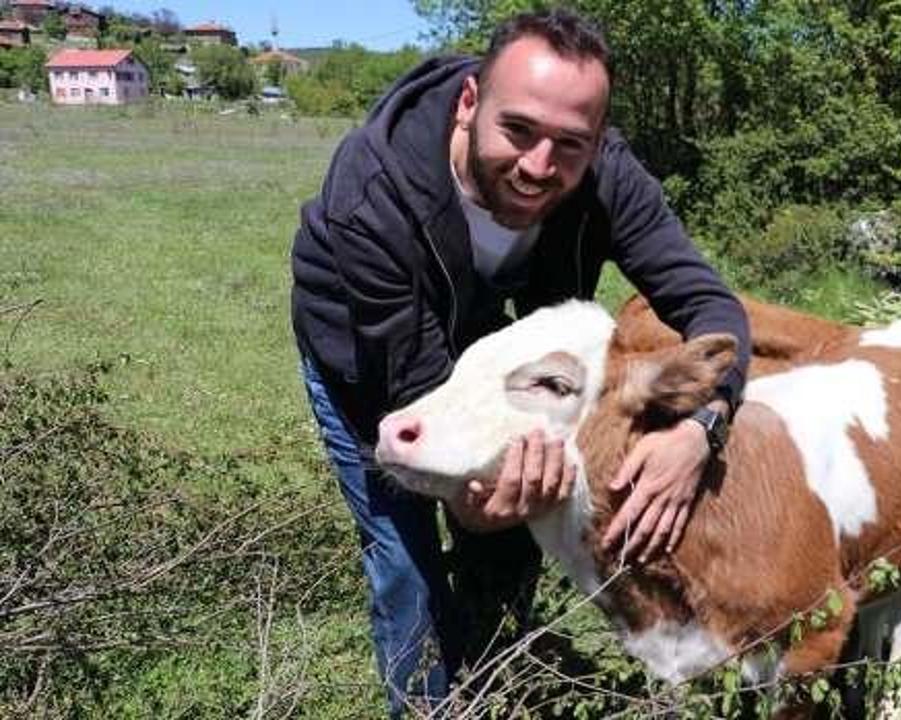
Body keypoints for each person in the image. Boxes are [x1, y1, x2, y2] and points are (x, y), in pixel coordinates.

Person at [290, 7, 750, 715]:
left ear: (598, 140)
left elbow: (713, 310)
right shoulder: (373, 195)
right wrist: (469, 502)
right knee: (405, 554)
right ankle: (425, 707)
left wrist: (701, 430)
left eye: (571, 143)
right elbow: (417, 386)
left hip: (502, 360)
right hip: (370, 359)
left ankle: (495, 683)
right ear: (470, 103)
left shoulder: (607, 177)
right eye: (519, 130)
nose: (540, 166)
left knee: (515, 538)